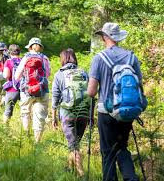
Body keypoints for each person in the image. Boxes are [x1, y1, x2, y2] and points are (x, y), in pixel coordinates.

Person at [88, 22, 143, 181]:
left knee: (108, 152)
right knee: (122, 148)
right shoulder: (131, 57)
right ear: (117, 38)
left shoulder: (99, 58)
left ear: (105, 37)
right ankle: (131, 178)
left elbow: (91, 91)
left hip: (106, 112)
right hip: (127, 110)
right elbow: (139, 84)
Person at [52, 48, 89, 177]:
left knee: (73, 145)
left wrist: (54, 117)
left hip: (67, 114)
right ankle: (69, 167)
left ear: (63, 59)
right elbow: (91, 94)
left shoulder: (59, 74)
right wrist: (91, 114)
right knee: (75, 142)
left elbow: (55, 98)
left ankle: (81, 174)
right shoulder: (84, 73)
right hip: (83, 113)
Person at [15, 37, 50, 143]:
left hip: (27, 90)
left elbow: (17, 76)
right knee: (40, 115)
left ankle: (26, 135)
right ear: (40, 47)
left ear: (30, 47)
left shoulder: (25, 58)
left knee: (25, 111)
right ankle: (37, 141)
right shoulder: (45, 58)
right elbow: (48, 74)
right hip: (42, 90)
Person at [2, 44, 21, 124]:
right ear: (19, 52)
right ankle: (26, 131)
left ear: (9, 52)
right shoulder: (23, 60)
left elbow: (6, 75)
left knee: (8, 111)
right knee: (25, 110)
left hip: (12, 90)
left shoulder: (8, 62)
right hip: (24, 89)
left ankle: (5, 129)